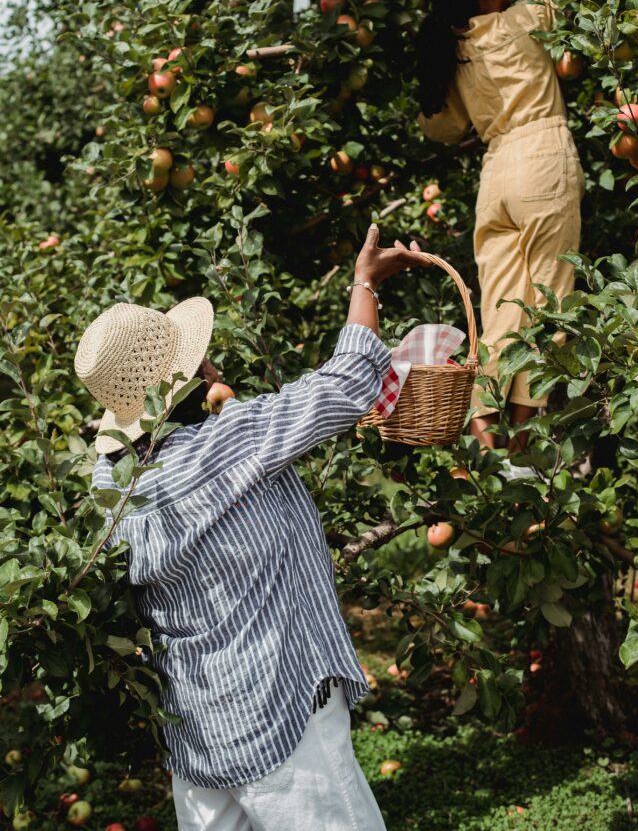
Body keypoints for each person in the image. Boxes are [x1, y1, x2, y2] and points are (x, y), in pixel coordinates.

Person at [74, 224, 429, 831]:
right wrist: (364, 283)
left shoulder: (109, 488)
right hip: (280, 709)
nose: (211, 358)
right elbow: (346, 384)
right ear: (183, 382)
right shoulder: (234, 444)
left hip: (197, 726)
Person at [416, 0, 588, 456]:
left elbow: (441, 127)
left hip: (496, 177)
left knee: (502, 312)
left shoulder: (456, 50)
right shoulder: (521, 20)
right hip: (542, 157)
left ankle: (485, 441)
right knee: (549, 302)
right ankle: (519, 451)